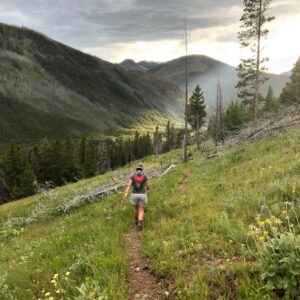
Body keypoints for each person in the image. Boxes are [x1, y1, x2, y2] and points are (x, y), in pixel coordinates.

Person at [123, 163, 150, 231]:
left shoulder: (132, 175)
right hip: (142, 194)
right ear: (142, 168)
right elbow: (148, 185)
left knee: (135, 209)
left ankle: (135, 221)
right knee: (141, 209)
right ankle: (140, 223)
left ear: (136, 168)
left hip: (134, 195)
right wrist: (148, 188)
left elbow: (129, 185)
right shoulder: (144, 175)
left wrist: (126, 194)